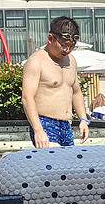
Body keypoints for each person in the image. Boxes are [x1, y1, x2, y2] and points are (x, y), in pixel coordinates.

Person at [22, 17, 90, 148]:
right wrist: (38, 130)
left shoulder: (71, 61)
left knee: (69, 165)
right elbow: (27, 97)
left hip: (66, 125)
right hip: (45, 123)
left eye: (71, 46)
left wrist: (83, 119)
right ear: (50, 38)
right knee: (55, 163)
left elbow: (76, 92)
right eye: (63, 45)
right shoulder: (36, 62)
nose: (66, 50)